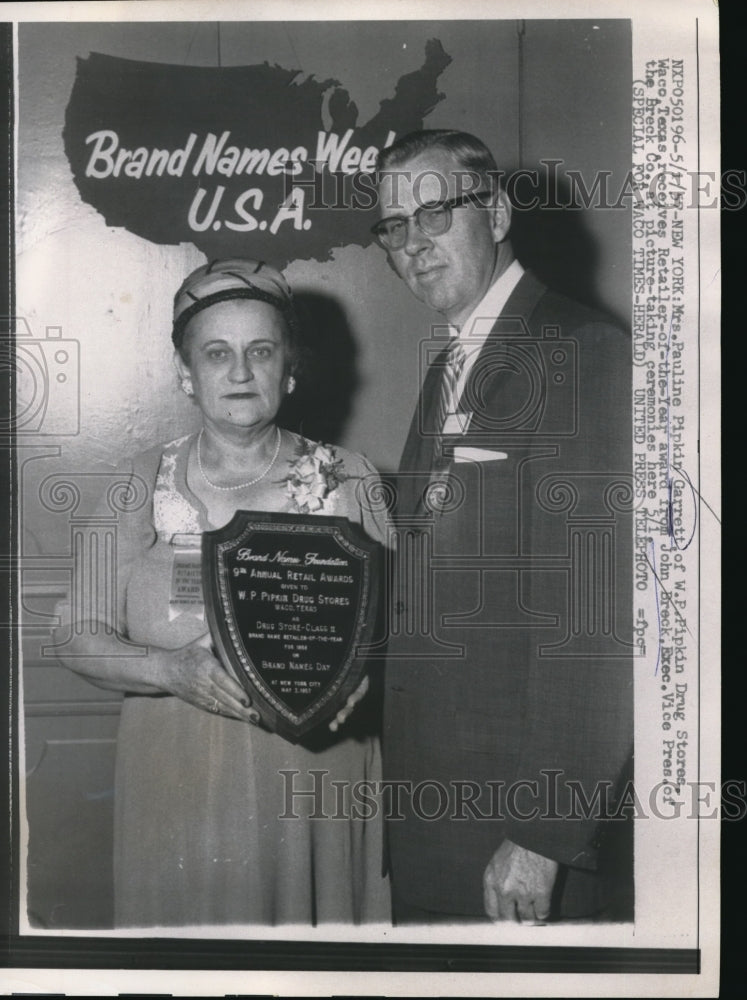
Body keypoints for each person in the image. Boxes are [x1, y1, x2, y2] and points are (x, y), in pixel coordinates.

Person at [55, 259, 390, 927]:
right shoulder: (135, 483)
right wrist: (168, 671)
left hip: (313, 779)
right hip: (176, 779)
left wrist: (364, 675)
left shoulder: (350, 479)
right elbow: (71, 634)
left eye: (260, 352)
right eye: (217, 353)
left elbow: (400, 633)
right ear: (187, 375)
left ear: (288, 372)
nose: (239, 372)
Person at [372, 130, 633, 924]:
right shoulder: (451, 361)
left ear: (495, 209)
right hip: (434, 813)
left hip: (517, 829)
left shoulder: (581, 351)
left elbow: (597, 613)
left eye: (434, 213)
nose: (413, 244)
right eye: (393, 227)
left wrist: (542, 834)